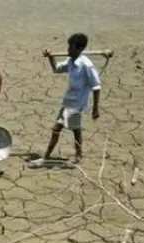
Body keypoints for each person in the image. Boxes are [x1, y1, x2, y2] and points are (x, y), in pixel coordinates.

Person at [32, 33, 101, 165]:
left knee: (57, 129)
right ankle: (78, 155)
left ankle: (47, 157)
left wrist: (95, 109)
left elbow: (96, 87)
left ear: (79, 48)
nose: (68, 49)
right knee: (75, 130)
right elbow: (57, 69)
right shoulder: (70, 61)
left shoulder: (86, 65)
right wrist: (50, 57)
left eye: (71, 47)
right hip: (68, 101)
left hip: (76, 104)